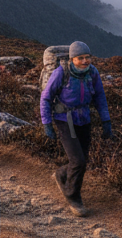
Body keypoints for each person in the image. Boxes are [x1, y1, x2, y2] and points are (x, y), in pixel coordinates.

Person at [41, 41, 112, 217]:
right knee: (78, 161)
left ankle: (60, 174)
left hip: (84, 118)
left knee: (81, 160)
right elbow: (46, 98)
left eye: (88, 57)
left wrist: (106, 121)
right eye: (81, 58)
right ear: (72, 59)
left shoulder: (93, 73)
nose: (85, 61)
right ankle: (73, 197)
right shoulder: (61, 73)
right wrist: (47, 123)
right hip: (65, 119)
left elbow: (100, 97)